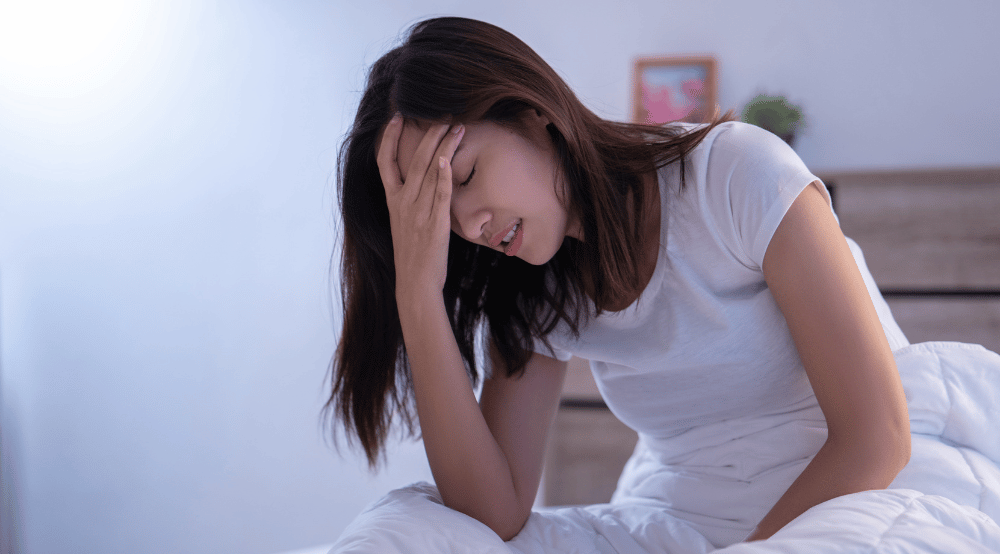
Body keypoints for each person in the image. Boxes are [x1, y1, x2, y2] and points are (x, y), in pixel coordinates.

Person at [324, 15, 915, 548]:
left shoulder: (735, 175)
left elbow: (877, 437)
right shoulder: (536, 291)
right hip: (684, 517)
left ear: (534, 113)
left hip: (850, 495)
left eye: (468, 176)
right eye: (440, 217)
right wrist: (417, 291)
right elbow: (493, 513)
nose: (470, 226)